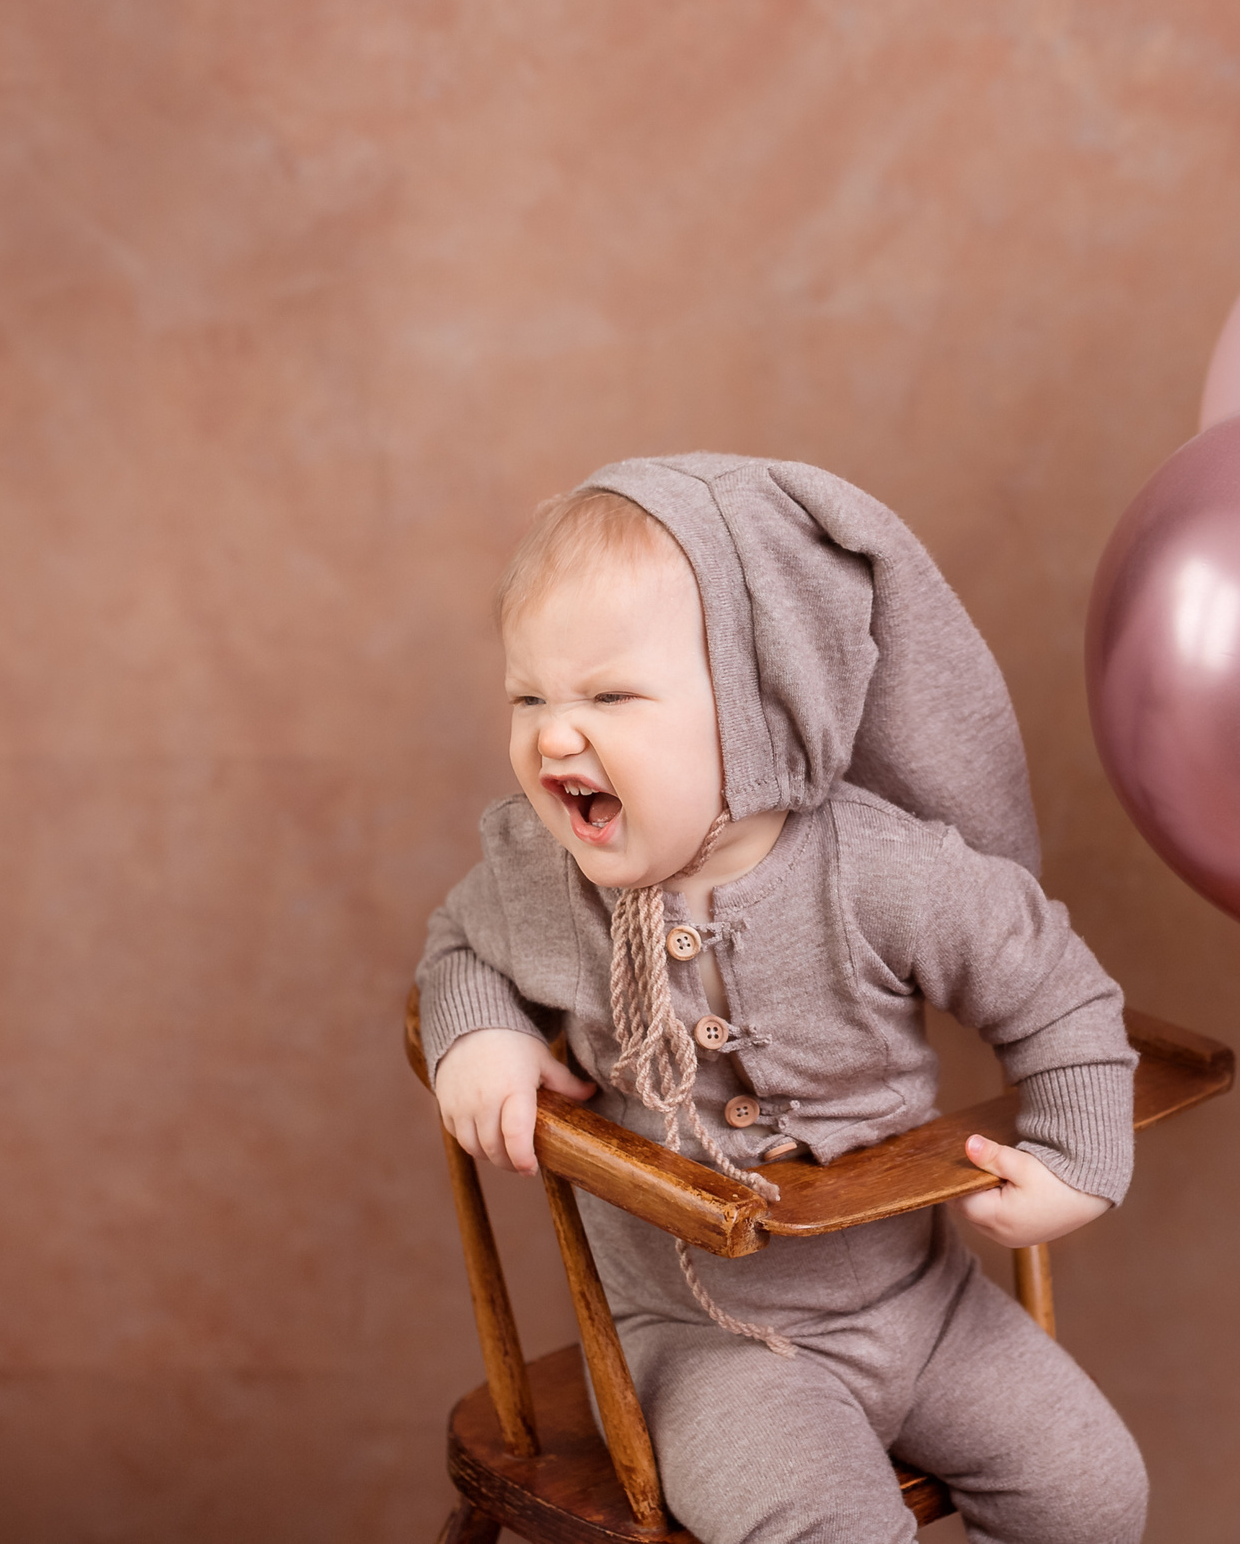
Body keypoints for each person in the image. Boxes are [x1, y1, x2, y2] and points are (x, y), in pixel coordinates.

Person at [416, 454, 1148, 1544]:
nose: (552, 736)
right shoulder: (540, 875)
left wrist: (1080, 1158)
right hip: (707, 1339)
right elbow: (458, 944)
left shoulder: (885, 873)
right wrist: (476, 1035)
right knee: (825, 1531)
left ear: (760, 709)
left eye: (608, 696)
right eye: (530, 696)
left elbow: (1059, 995)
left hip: (927, 1306)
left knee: (1094, 1491)